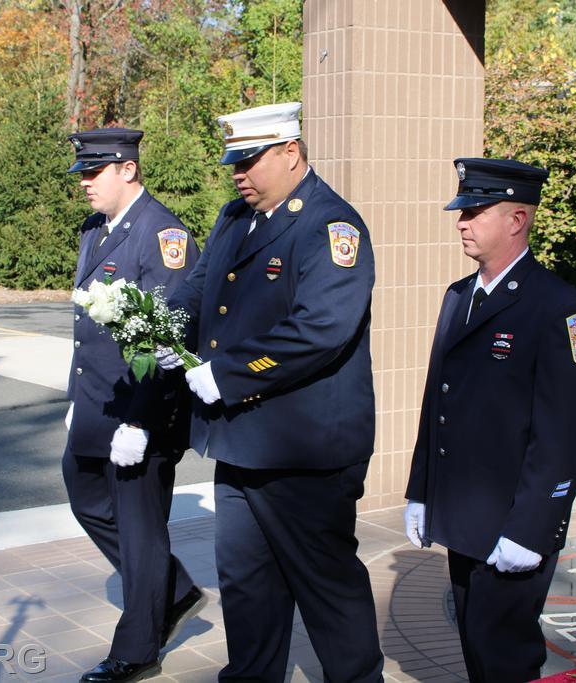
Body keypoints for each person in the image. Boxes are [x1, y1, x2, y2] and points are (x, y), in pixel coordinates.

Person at [161, 102, 384, 682]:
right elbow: (198, 286)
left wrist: (228, 373)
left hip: (302, 449)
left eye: (250, 159)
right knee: (246, 582)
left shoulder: (331, 226)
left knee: (325, 585)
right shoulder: (237, 216)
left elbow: (321, 329)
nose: (239, 173)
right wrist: (162, 329)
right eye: (233, 160)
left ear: (291, 153)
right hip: (239, 442)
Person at [403, 158, 576, 683]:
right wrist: (422, 490)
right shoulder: (458, 297)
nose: (461, 222)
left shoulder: (560, 308)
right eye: (461, 211)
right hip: (463, 515)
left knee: (505, 657)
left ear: (517, 219)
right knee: (475, 646)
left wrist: (533, 529)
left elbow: (565, 435)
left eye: (475, 211)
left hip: (512, 522)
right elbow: (437, 405)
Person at [63, 127, 202, 683]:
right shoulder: (95, 229)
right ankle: (175, 587)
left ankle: (138, 646)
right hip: (97, 401)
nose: (86, 185)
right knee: (85, 495)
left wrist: (142, 421)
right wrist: (75, 399)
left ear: (128, 170)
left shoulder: (162, 233)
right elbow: (86, 327)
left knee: (141, 531)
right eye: (82, 174)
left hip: (140, 410)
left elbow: (169, 337)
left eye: (94, 173)